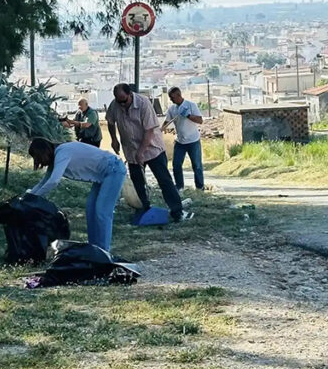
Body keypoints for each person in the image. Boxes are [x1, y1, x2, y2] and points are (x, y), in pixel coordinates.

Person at [106, 83, 192, 222]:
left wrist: (142, 152)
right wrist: (114, 139)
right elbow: (110, 121)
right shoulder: (115, 104)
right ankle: (144, 210)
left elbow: (150, 130)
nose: (121, 104)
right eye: (118, 101)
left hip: (152, 149)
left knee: (164, 180)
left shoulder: (143, 103)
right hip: (131, 150)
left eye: (124, 101)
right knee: (138, 183)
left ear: (130, 94)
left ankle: (177, 211)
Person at [27, 138, 126, 251]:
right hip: (103, 175)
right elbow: (43, 182)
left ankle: (103, 251)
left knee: (102, 212)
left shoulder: (62, 152)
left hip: (113, 169)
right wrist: (29, 198)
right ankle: (93, 247)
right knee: (91, 209)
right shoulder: (56, 158)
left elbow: (53, 181)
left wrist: (34, 199)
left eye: (38, 158)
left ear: (43, 152)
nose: (40, 162)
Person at [162, 87, 205, 191]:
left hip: (193, 141)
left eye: (172, 98)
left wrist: (188, 115)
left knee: (197, 165)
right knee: (176, 165)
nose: (171, 100)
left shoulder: (191, 105)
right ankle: (179, 186)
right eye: (170, 98)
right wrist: (160, 130)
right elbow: (166, 122)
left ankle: (200, 187)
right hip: (180, 141)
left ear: (178, 95)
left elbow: (200, 120)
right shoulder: (172, 109)